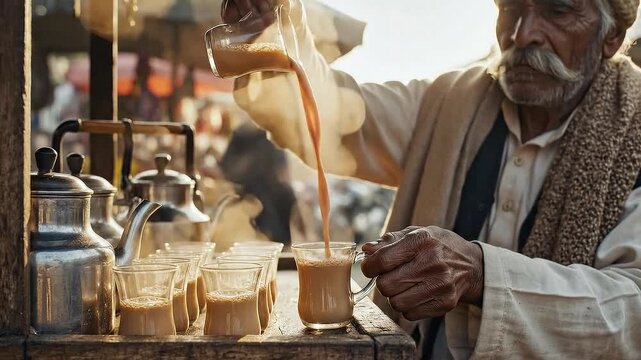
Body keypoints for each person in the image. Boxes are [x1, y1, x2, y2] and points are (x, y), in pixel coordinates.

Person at [221, 0, 641, 358]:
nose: (522, 33)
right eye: (510, 7)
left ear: (613, 35)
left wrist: (483, 274)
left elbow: (632, 311)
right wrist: (273, 33)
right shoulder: (451, 100)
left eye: (558, 10)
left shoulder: (633, 133)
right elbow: (333, 120)